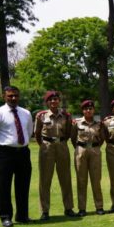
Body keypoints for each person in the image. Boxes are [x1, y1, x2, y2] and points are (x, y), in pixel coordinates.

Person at [0, 86, 34, 227]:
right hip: (5, 154)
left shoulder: (26, 113)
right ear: (4, 97)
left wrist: (19, 144)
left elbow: (29, 131)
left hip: (23, 152)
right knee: (4, 186)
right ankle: (6, 217)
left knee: (23, 185)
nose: (13, 98)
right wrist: (1, 144)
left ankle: (22, 215)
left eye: (16, 95)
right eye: (10, 96)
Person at [34, 90, 76, 220]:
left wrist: (61, 142)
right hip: (47, 147)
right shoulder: (41, 116)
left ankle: (68, 208)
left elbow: (69, 132)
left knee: (65, 178)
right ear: (47, 102)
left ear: (59, 101)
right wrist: (44, 145)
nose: (54, 101)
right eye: (51, 99)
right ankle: (45, 211)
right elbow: (37, 133)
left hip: (62, 146)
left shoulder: (66, 116)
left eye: (56, 99)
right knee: (45, 180)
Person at [71, 100, 106, 216]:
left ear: (93, 110)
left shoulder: (99, 123)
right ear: (83, 110)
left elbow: (102, 138)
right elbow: (72, 138)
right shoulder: (77, 122)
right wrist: (80, 148)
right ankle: (82, 208)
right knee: (81, 180)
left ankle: (99, 206)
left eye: (90, 108)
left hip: (95, 150)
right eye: (86, 109)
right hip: (81, 150)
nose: (88, 110)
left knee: (96, 180)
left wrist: (94, 147)